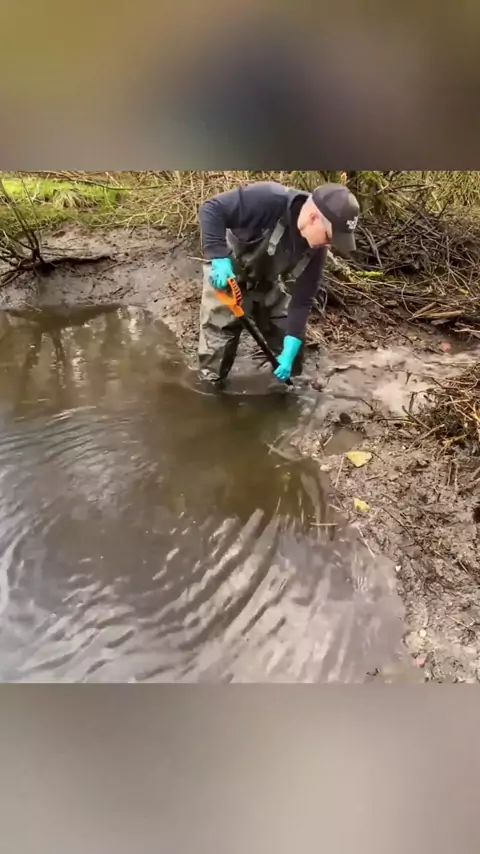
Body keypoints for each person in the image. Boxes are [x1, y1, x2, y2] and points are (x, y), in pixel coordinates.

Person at [198, 180, 360, 385]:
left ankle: (287, 390)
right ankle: (211, 388)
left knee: (290, 342)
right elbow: (211, 209)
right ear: (313, 218)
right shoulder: (268, 199)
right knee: (217, 346)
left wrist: (290, 347)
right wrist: (219, 258)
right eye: (329, 237)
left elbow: (302, 300)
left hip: (267, 283)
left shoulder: (317, 251)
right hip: (227, 277)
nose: (329, 245)